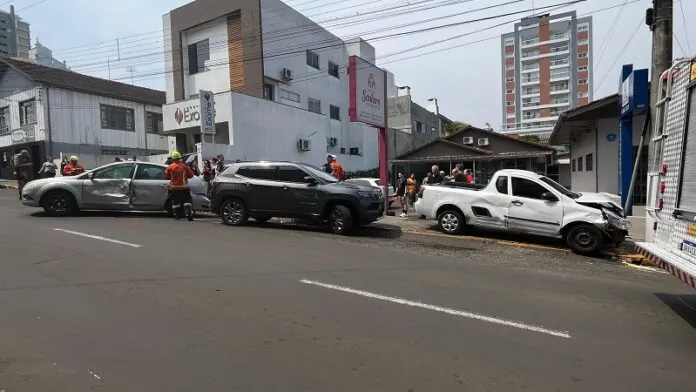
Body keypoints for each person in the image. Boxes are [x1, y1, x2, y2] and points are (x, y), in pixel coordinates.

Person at [164, 151, 195, 221]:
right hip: (184, 187)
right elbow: (191, 175)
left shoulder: (170, 167)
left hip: (174, 188)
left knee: (175, 202)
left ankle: (176, 215)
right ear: (179, 158)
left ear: (173, 159)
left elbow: (166, 177)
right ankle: (189, 215)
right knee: (187, 201)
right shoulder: (184, 166)